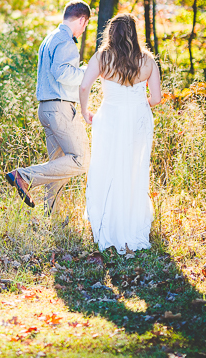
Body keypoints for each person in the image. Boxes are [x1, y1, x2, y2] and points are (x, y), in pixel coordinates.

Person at [79, 13, 162, 256]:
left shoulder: (103, 57)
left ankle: (109, 222)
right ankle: (131, 222)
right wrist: (139, 104)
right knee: (133, 169)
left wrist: (85, 111)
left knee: (108, 167)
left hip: (111, 118)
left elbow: (84, 86)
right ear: (134, 34)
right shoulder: (148, 60)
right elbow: (156, 98)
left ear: (111, 34)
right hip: (138, 119)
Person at [5, 0, 91, 213]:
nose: (83, 30)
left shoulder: (49, 38)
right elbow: (62, 73)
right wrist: (88, 73)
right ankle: (23, 175)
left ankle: (50, 216)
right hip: (60, 109)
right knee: (81, 160)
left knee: (58, 166)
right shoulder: (66, 41)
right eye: (85, 25)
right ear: (82, 19)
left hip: (46, 108)